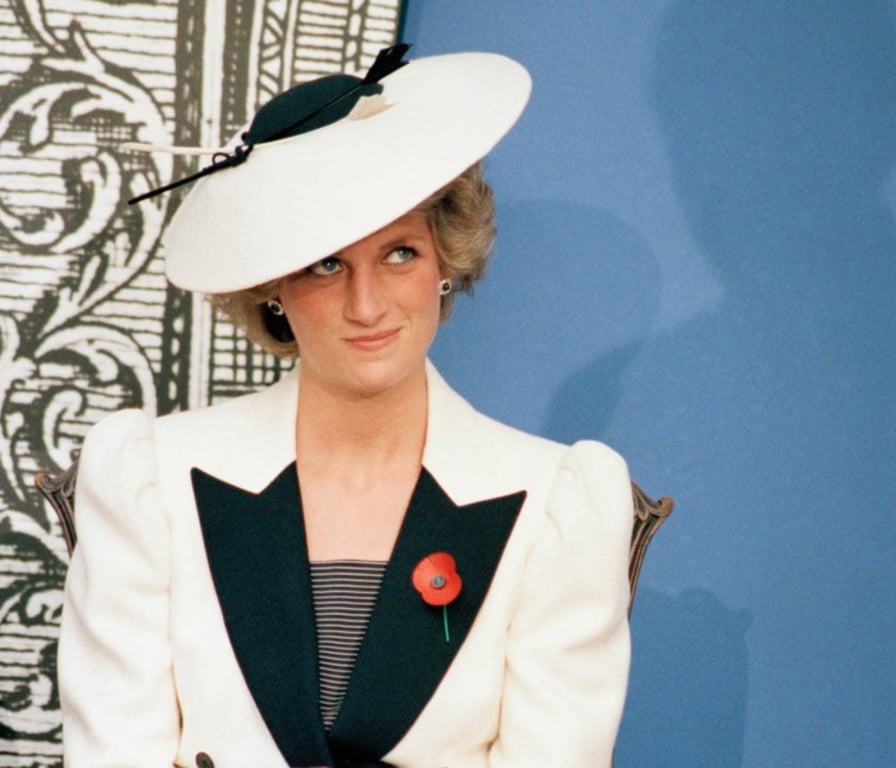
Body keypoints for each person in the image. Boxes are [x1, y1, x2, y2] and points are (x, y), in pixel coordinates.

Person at [58, 45, 633, 768]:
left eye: (400, 254)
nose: (367, 306)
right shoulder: (152, 480)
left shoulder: (556, 503)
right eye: (326, 264)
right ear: (272, 286)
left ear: (445, 265)